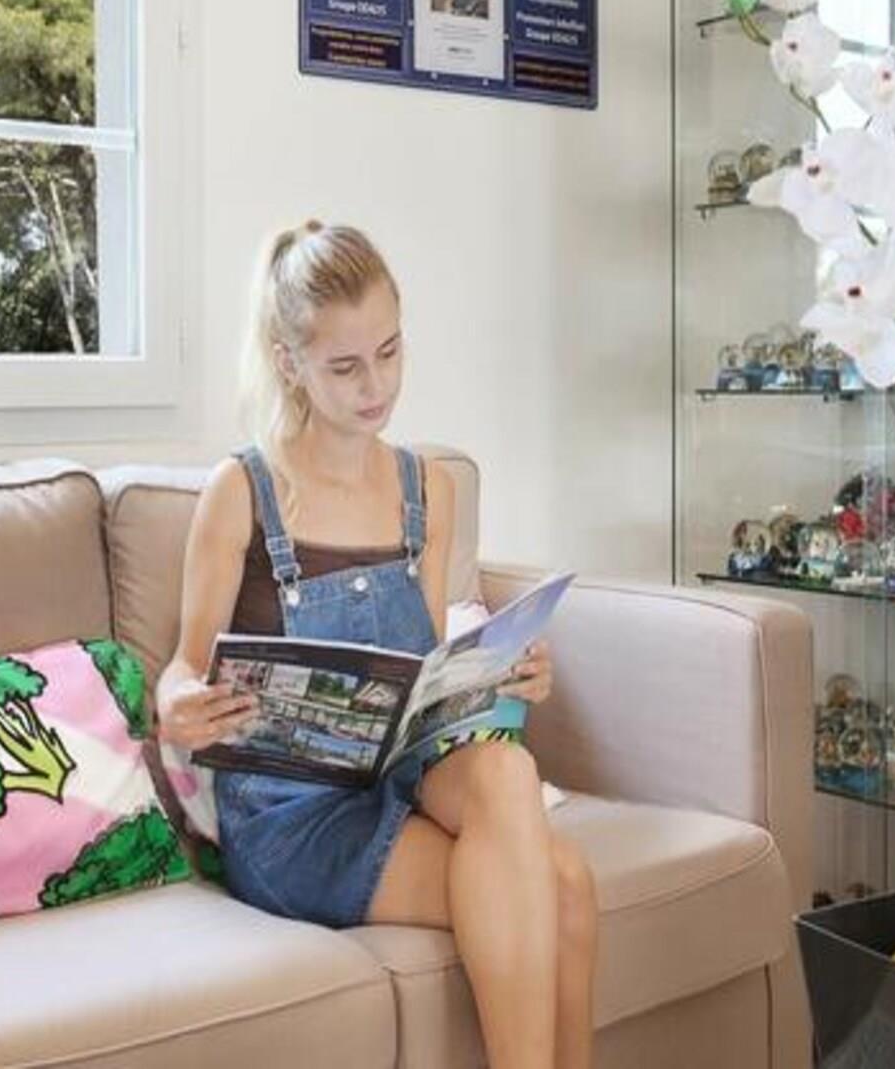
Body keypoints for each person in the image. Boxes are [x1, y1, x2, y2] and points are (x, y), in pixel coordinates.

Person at [155, 220, 598, 1069]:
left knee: (508, 769)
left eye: (390, 352)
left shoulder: (427, 487)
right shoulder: (241, 489)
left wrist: (503, 674)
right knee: (564, 885)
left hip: (398, 777)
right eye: (346, 366)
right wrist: (180, 704)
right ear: (290, 362)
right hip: (291, 815)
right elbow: (182, 664)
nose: (377, 384)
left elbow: (420, 671)